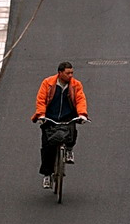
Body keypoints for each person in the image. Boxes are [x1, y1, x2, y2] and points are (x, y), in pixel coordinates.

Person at [32, 61, 89, 189]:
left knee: (72, 132)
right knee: (47, 147)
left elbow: (80, 99)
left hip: (68, 116)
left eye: (72, 73)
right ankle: (47, 175)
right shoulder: (48, 83)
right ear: (60, 73)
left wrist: (82, 114)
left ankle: (69, 150)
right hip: (50, 118)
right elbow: (41, 100)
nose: (70, 75)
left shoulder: (76, 85)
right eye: (68, 73)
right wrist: (41, 115)